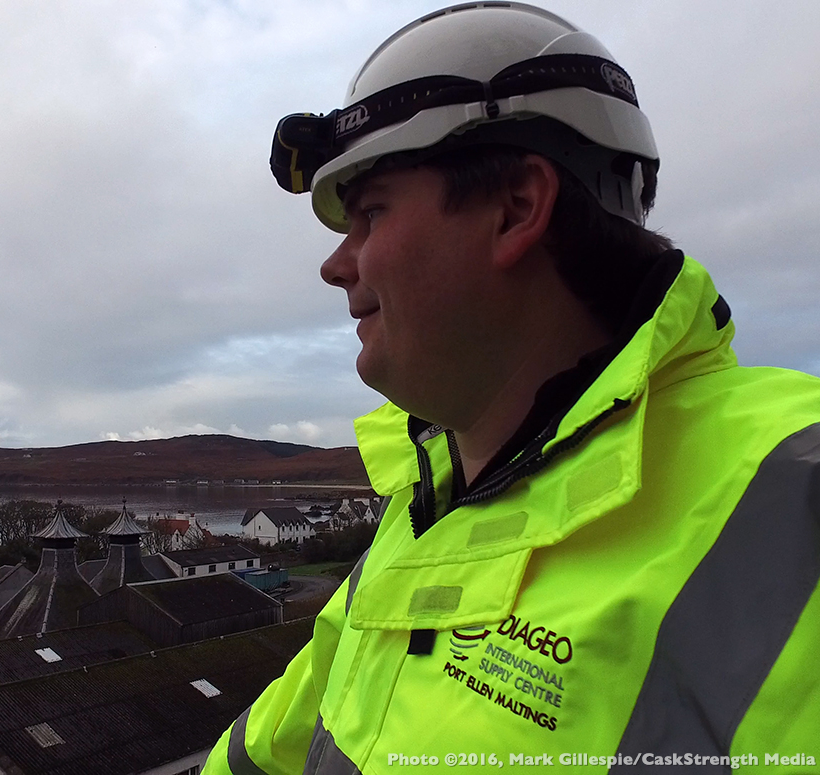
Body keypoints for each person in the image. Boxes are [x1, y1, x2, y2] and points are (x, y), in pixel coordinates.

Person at [204, 3, 820, 772]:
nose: (337, 264)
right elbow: (268, 748)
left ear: (517, 208)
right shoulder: (422, 508)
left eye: (369, 214)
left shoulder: (793, 494)